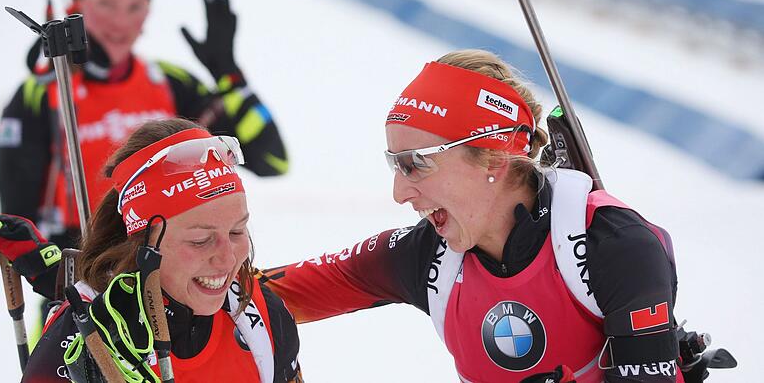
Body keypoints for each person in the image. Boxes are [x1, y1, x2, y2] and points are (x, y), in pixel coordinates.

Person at [259, 50, 682, 382]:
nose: (399, 193)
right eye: (395, 164)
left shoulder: (611, 245)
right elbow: (260, 297)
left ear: (494, 159)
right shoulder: (428, 255)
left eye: (415, 164)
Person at [0, 0, 288, 254]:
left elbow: (272, 161)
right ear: (77, 5)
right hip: (79, 273)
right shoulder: (42, 93)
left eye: (134, 6)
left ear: (148, 13)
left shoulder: (170, 84)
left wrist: (229, 75)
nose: (120, 21)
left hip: (168, 271)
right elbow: (17, 227)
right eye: (106, 3)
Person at [0, 118, 302, 382]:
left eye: (237, 231)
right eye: (200, 240)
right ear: (143, 242)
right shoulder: (87, 335)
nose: (228, 259)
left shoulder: (260, 319)